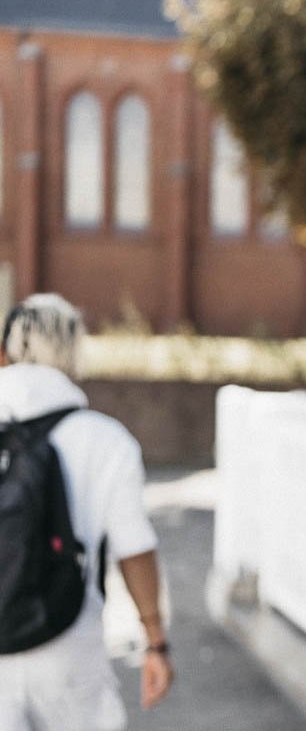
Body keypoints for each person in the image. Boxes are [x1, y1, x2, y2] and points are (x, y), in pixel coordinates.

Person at [0, 294, 173, 730]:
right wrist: (155, 642)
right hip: (67, 641)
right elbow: (134, 548)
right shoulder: (106, 439)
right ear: (74, 355)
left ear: (4, 353)